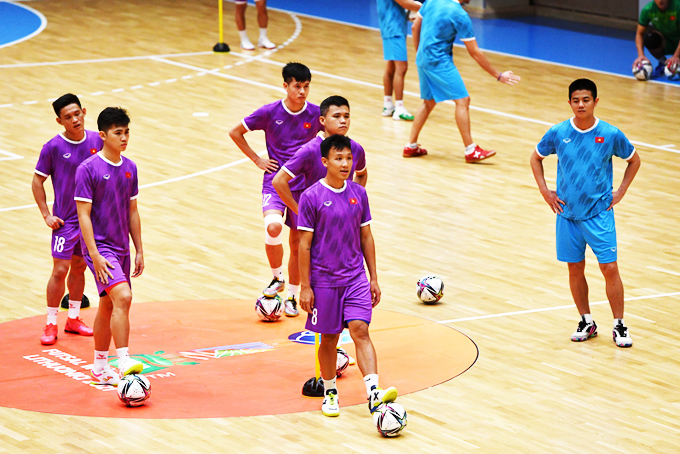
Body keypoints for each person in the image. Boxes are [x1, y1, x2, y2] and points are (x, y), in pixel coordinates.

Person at [530, 79, 641, 348]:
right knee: (575, 268)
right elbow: (535, 158)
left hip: (599, 215)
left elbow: (634, 160)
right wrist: (546, 192)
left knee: (610, 268)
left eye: (586, 100)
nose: (581, 104)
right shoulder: (557, 132)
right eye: (576, 100)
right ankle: (586, 320)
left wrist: (621, 192)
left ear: (595, 101)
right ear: (569, 102)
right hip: (567, 214)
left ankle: (619, 324)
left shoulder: (610, 133)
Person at [297, 134, 397, 417]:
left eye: (349, 158)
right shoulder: (311, 197)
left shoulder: (359, 194)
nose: (345, 164)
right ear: (325, 161)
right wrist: (305, 286)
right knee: (329, 339)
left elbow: (366, 236)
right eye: (339, 159)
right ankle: (330, 392)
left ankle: (374, 393)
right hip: (324, 282)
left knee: (360, 330)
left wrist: (373, 277)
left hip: (355, 278)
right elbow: (304, 244)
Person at [229, 62, 323, 307]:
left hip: (304, 186)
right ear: (285, 86)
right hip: (275, 182)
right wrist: (257, 159)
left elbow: (332, 135)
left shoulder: (315, 113)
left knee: (296, 243)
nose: (302, 92)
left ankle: (292, 294)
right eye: (297, 86)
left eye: (306, 87)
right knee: (272, 227)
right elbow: (235, 132)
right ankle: (276, 278)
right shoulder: (270, 112)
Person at [272, 95, 367, 316]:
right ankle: (294, 296)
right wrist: (301, 213)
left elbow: (361, 175)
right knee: (301, 255)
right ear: (323, 120)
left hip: (342, 226)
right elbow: (279, 181)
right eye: (337, 116)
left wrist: (355, 205)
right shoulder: (309, 150)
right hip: (315, 223)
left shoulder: (356, 148)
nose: (343, 121)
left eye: (347, 116)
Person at [75, 107, 145, 385]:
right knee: (124, 298)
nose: (124, 137)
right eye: (118, 133)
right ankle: (124, 359)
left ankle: (100, 368)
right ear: (103, 135)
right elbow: (83, 215)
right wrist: (93, 254)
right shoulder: (88, 169)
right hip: (100, 248)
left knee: (107, 305)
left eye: (127, 132)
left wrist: (139, 249)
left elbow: (133, 211)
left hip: (122, 249)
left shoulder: (130, 168)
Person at [404, 0, 520, 161]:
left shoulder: (432, 1)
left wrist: (419, 54)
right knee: (463, 100)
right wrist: (497, 75)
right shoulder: (459, 14)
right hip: (439, 61)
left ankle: (410, 146)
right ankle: (471, 150)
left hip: (423, 59)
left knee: (428, 101)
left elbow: (415, 27)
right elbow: (474, 52)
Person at [32, 94, 102, 345]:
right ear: (59, 121)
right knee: (60, 270)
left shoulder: (98, 140)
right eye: (68, 117)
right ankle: (51, 323)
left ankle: (73, 319)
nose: (75, 120)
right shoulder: (52, 147)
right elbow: (37, 180)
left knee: (80, 267)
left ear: (84, 111)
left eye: (77, 114)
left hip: (89, 221)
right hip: (65, 222)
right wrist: (46, 215)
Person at [376, 0, 422, 121]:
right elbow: (405, 3)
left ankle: (388, 105)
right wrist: (427, 8)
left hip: (392, 28)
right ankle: (399, 108)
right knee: (401, 67)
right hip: (393, 29)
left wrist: (408, 13)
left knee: (391, 67)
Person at [633, 0, 680, 78]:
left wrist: (676, 55)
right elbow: (639, 34)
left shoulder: (678, 7)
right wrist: (640, 55)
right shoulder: (648, 10)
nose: (660, 0)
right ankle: (663, 63)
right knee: (650, 39)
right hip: (667, 42)